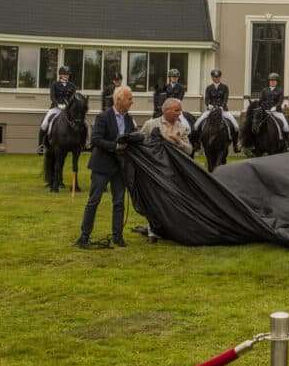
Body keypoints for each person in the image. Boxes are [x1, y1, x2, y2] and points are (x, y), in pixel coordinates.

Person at [75, 85, 137, 249]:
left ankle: (118, 236)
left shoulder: (129, 119)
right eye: (129, 99)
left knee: (119, 202)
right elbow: (95, 139)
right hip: (102, 165)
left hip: (120, 167)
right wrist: (116, 146)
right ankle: (84, 236)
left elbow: (132, 137)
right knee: (94, 201)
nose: (132, 102)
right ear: (119, 100)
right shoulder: (103, 117)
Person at [140, 97, 193, 243]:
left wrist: (178, 141)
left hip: (173, 172)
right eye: (177, 110)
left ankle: (172, 229)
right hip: (155, 170)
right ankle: (152, 232)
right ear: (167, 110)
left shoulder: (181, 128)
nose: (179, 113)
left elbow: (189, 150)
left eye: (180, 110)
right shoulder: (151, 124)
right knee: (153, 200)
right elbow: (140, 143)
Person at [193, 69, 240, 153]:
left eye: (217, 77)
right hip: (211, 111)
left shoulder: (225, 87)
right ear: (212, 78)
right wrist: (209, 105)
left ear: (220, 77)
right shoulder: (208, 88)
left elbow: (225, 99)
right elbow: (206, 100)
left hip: (223, 110)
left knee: (236, 126)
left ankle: (235, 145)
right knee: (196, 125)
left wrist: (222, 106)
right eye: (214, 77)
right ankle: (197, 143)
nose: (216, 79)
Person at [37, 65, 77, 154]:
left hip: (68, 109)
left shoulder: (72, 85)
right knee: (44, 123)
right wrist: (58, 104)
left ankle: (82, 143)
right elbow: (52, 96)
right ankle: (41, 145)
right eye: (65, 74)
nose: (67, 76)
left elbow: (73, 98)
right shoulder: (55, 84)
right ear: (60, 75)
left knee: (82, 122)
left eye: (68, 74)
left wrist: (69, 106)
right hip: (56, 108)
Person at [260, 72, 289, 150]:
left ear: (277, 82)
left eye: (274, 80)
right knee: (256, 124)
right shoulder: (265, 90)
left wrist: (275, 107)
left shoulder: (279, 90)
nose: (272, 82)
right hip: (266, 112)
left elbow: (280, 101)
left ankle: (286, 144)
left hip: (277, 112)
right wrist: (264, 108)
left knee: (286, 127)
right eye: (271, 80)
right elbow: (261, 100)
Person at [162, 68, 192, 135]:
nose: (174, 78)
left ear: (178, 78)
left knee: (182, 119)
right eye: (173, 77)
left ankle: (186, 130)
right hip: (166, 107)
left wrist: (172, 103)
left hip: (176, 108)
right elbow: (163, 97)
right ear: (170, 77)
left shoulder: (181, 87)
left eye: (176, 77)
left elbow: (180, 98)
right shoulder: (165, 86)